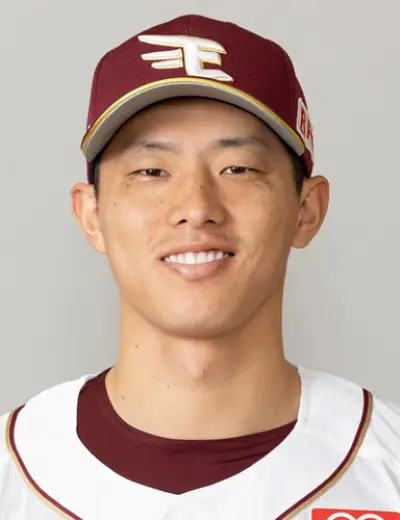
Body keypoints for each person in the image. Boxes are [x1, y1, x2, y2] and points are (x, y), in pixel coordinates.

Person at [1, 13, 400, 520]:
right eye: (151, 170)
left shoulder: (388, 468)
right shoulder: (12, 474)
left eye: (238, 168)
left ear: (307, 210)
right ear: (92, 216)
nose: (195, 206)